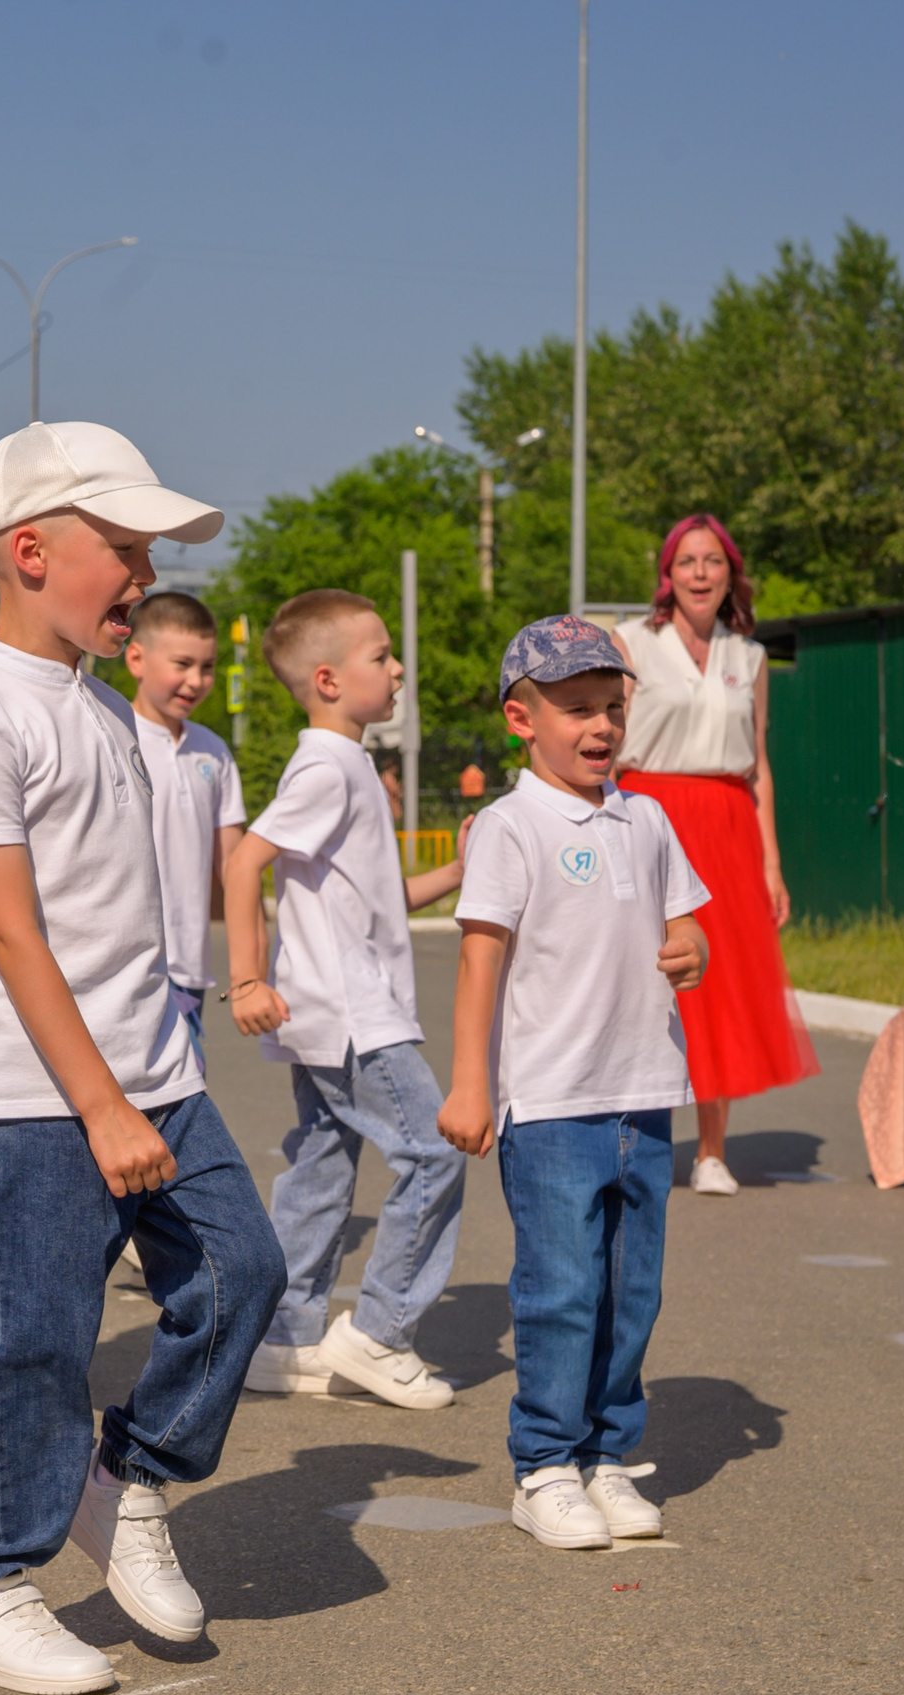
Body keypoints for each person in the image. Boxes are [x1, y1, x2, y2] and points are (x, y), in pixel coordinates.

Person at [0, 421, 284, 1694]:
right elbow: (12, 932)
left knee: (243, 1269)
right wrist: (98, 1102)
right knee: (33, 1341)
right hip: (42, 1094)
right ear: (30, 552)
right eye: (121, 545)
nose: (144, 571)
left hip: (157, 1072)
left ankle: (128, 1478)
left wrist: (148, 1076)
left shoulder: (99, 705)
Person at [440, 615, 709, 1552]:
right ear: (522, 718)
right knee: (561, 1288)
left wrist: (691, 948)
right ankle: (546, 1464)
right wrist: (469, 1083)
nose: (600, 726)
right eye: (577, 709)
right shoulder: (510, 826)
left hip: (642, 1091)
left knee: (632, 1291)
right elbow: (480, 960)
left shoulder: (648, 817)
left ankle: (607, 1454)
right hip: (551, 1102)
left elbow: (686, 927)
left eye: (611, 707)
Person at [224, 589, 466, 1411]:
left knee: (324, 1161)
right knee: (433, 1153)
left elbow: (379, 894)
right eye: (381, 656)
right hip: (353, 1010)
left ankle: (282, 1337)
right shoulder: (329, 765)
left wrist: (459, 870)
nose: (398, 670)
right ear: (327, 679)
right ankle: (379, 1333)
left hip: (331, 1009)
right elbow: (244, 860)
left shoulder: (347, 764)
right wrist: (247, 979)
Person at [612, 517, 816, 1195]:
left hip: (728, 829)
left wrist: (771, 864)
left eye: (712, 561)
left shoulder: (749, 657)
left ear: (731, 573)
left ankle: (710, 1152)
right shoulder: (632, 642)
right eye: (686, 561)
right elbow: (605, 741)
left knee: (718, 986)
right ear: (667, 575)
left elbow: (759, 765)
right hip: (647, 814)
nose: (699, 573)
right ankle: (628, 1141)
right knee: (641, 977)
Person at [123, 591, 245, 1052]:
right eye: (182, 664)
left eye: (207, 667)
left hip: (189, 969)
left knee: (189, 1091)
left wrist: (248, 971)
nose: (196, 681)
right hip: (122, 966)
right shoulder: (112, 734)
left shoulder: (213, 750)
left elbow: (235, 867)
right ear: (136, 658)